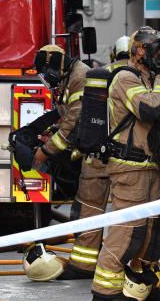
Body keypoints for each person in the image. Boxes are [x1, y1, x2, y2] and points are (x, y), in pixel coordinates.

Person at [92, 27, 160, 301]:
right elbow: (150, 109)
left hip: (151, 166)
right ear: (138, 50)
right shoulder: (125, 78)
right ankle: (105, 291)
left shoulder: (152, 79)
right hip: (130, 167)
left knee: (155, 231)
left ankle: (145, 283)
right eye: (155, 49)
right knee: (128, 230)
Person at [23, 44, 108, 281]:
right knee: (83, 209)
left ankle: (83, 266)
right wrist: (49, 131)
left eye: (46, 75)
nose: (46, 81)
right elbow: (67, 119)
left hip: (96, 157)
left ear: (57, 66)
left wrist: (44, 152)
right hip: (89, 155)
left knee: (87, 210)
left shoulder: (80, 78)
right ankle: (87, 261)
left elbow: (74, 122)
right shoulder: (68, 77)